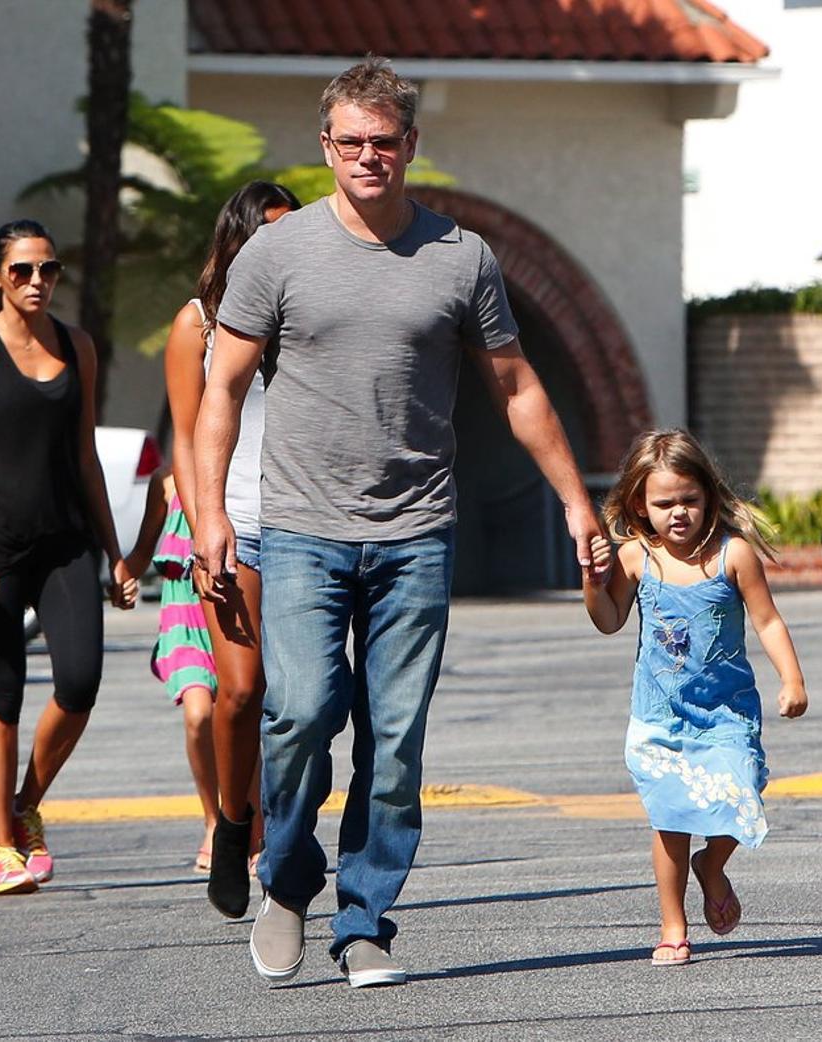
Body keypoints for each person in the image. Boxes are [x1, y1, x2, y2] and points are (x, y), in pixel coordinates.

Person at [193, 57, 605, 988]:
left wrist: (579, 504)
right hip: (301, 529)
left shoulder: (460, 257)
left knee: (394, 740)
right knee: (297, 713)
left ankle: (366, 919)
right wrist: (210, 512)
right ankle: (289, 878)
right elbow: (219, 386)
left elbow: (517, 386)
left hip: (416, 533)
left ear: (411, 144)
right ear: (326, 146)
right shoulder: (277, 253)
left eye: (385, 141)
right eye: (351, 142)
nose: (369, 156)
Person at [0, 219, 136, 897]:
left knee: (79, 682)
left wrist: (116, 553)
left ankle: (27, 804)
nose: (35, 282)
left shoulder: (76, 346)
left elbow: (85, 456)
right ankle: (0, 850)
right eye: (21, 270)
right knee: (2, 694)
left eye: (47, 270)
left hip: (65, 543)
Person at [582, 429, 808, 966]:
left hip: (725, 713)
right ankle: (672, 925)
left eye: (689, 499)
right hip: (659, 717)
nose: (678, 513)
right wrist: (593, 580)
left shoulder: (734, 555)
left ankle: (713, 865)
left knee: (742, 794)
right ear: (640, 503)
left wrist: (792, 679)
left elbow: (768, 621)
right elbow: (610, 620)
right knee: (670, 819)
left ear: (708, 495)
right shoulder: (636, 558)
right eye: (664, 503)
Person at [163, 181, 300, 916]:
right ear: (238, 240)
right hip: (234, 525)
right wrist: (201, 522)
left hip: (311, 525)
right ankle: (230, 821)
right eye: (267, 234)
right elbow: (186, 436)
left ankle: (280, 833)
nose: (281, 248)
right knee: (241, 691)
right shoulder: (199, 325)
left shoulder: (309, 312)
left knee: (302, 698)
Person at [124, 466, 221, 872]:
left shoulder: (240, 470)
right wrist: (124, 573)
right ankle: (214, 821)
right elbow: (145, 546)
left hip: (233, 613)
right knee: (199, 716)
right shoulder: (165, 483)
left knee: (244, 720)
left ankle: (253, 826)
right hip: (184, 619)